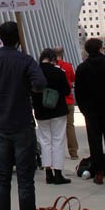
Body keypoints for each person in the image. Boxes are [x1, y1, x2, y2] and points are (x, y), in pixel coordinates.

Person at [0, 21, 47, 210]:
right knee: (25, 177)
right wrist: (29, 85)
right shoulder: (25, 60)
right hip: (22, 123)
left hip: (1, 125)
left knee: (2, 175)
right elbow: (40, 83)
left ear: (0, 39)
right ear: (19, 38)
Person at [74, 37, 105, 185]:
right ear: (100, 49)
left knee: (95, 142)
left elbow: (79, 92)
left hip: (91, 112)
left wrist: (84, 110)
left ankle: (99, 173)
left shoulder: (82, 68)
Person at [31, 48, 71, 185]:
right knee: (58, 141)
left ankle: (48, 172)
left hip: (41, 112)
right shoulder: (58, 72)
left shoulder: (34, 72)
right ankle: (58, 173)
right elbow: (66, 91)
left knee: (45, 141)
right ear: (53, 58)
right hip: (57, 110)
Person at [55, 46, 79, 159]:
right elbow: (73, 81)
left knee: (57, 128)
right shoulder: (68, 66)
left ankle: (58, 152)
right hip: (68, 100)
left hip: (56, 101)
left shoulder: (52, 67)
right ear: (63, 54)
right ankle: (73, 152)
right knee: (70, 126)